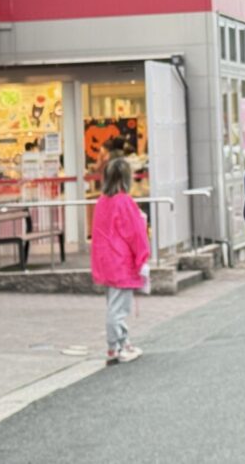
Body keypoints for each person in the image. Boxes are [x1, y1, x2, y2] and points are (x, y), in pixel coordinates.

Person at [91, 156, 149, 365]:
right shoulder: (124, 202)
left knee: (113, 305)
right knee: (118, 309)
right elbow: (136, 233)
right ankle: (115, 346)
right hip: (121, 261)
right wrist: (142, 258)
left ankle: (122, 342)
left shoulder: (101, 202)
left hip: (105, 261)